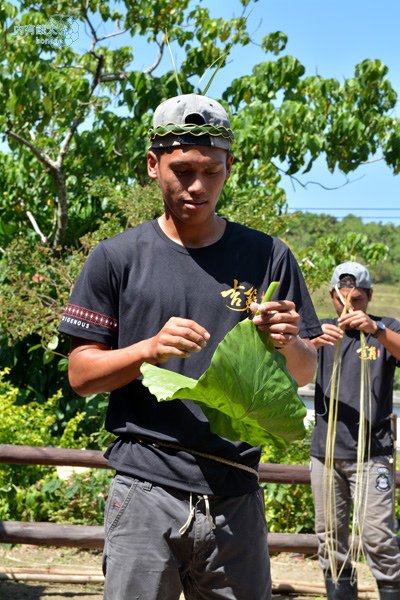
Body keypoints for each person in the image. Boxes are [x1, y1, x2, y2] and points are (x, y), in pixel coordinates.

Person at [58, 92, 321, 600]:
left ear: (229, 167)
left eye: (212, 171)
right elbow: (81, 375)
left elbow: (305, 372)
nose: (197, 186)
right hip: (144, 484)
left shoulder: (268, 256)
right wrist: (146, 350)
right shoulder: (117, 257)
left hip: (236, 489)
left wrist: (287, 341)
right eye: (182, 170)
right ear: (154, 165)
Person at [310, 261, 400, 600]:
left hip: (372, 454)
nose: (349, 304)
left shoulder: (386, 329)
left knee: (378, 537)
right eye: (343, 296)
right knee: (330, 540)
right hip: (325, 454)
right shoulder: (319, 331)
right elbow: (295, 370)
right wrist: (309, 344)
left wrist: (375, 329)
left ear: (370, 297)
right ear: (333, 296)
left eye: (358, 299)